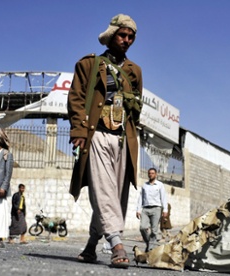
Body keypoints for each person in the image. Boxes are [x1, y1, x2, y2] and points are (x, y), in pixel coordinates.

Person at [67, 14, 143, 268]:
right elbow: (76, 98)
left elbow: (136, 108)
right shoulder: (88, 65)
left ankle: (90, 247)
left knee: (116, 195)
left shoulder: (134, 71)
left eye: (131, 37)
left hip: (122, 138)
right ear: (112, 35)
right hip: (96, 133)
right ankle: (116, 244)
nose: (127, 40)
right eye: (123, 35)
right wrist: (79, 130)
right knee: (102, 189)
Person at [136, 168, 168, 252]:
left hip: (156, 209)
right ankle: (148, 243)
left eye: (152, 173)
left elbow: (163, 197)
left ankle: (150, 249)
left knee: (154, 231)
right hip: (145, 209)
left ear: (156, 174)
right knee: (142, 227)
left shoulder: (160, 185)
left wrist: (165, 210)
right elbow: (141, 198)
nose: (151, 175)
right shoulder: (144, 185)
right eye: (149, 173)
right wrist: (138, 210)